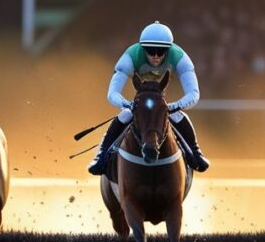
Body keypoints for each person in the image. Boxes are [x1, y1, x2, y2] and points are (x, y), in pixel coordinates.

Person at [88, 21, 209, 175]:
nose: (156, 56)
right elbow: (112, 93)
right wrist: (127, 104)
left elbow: (194, 94)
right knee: (126, 114)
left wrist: (174, 106)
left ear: (169, 49)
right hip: (140, 98)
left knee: (178, 115)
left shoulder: (180, 57)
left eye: (161, 51)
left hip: (161, 99)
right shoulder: (130, 57)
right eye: (151, 51)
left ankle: (196, 152)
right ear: (142, 48)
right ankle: (101, 154)